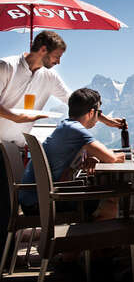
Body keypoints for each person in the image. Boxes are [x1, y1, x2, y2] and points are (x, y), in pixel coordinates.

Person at [0, 31, 124, 251]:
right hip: (1, 144)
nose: (59, 62)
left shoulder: (49, 77)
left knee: (7, 205)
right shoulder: (6, 66)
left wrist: (103, 119)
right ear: (43, 50)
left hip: (17, 147)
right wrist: (15, 117)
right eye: (57, 56)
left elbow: (74, 100)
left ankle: (15, 255)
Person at [19, 88, 125, 219]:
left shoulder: (66, 126)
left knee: (100, 194)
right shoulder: (76, 130)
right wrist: (122, 155)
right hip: (41, 203)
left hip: (33, 199)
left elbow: (91, 153)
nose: (98, 119)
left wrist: (94, 157)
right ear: (92, 113)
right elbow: (112, 159)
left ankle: (84, 236)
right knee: (110, 200)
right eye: (98, 113)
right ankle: (88, 238)